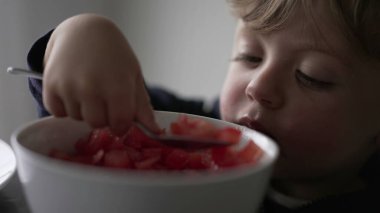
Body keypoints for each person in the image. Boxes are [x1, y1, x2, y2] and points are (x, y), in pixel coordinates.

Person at [27, 0, 380, 212]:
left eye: (311, 76)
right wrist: (81, 34)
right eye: (250, 55)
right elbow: (86, 120)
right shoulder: (192, 133)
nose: (258, 87)